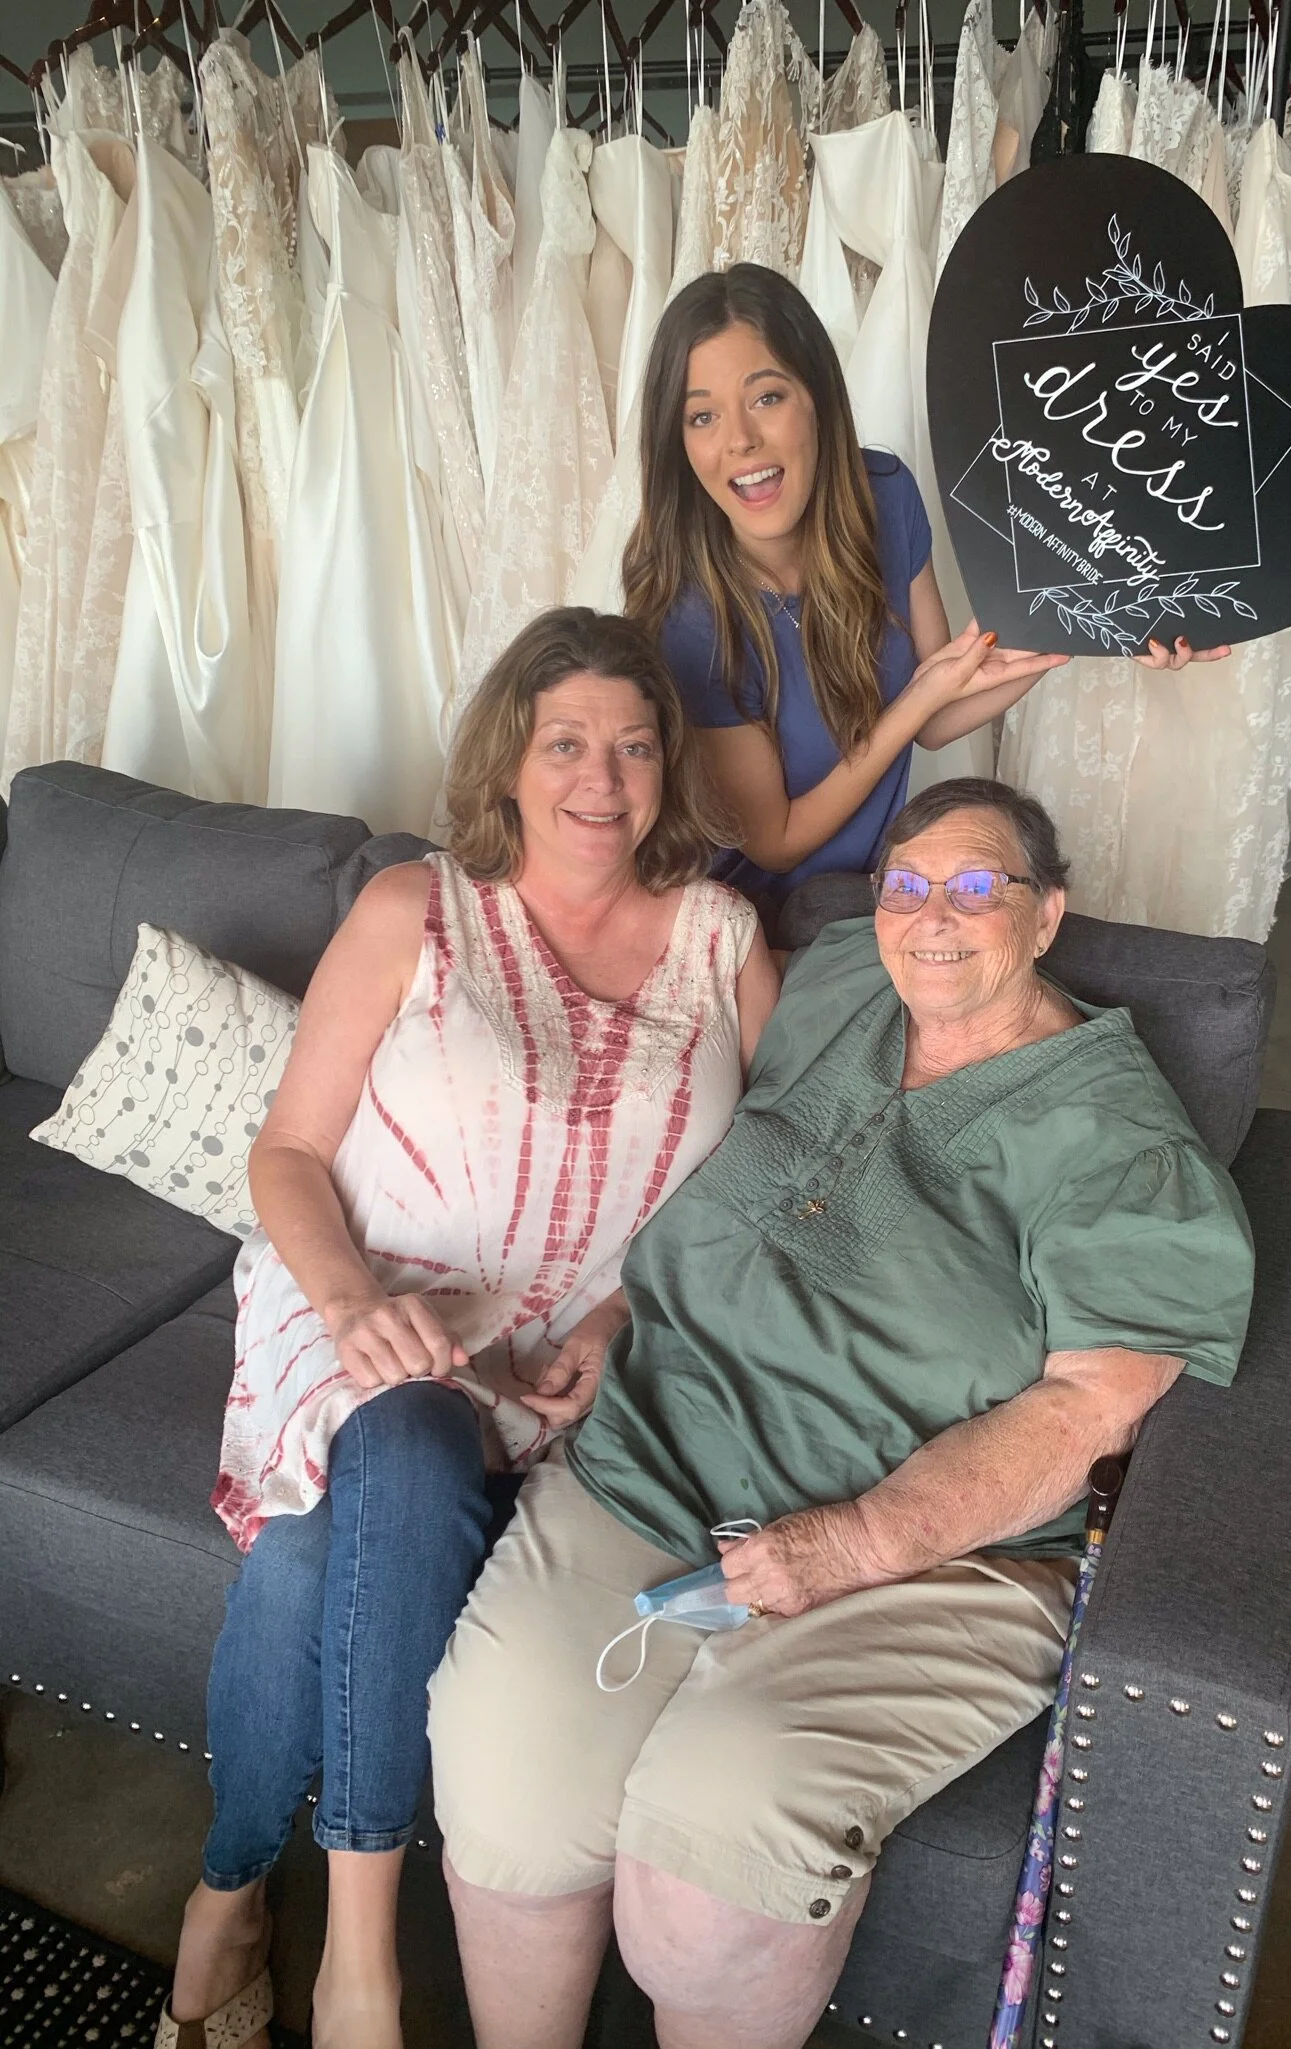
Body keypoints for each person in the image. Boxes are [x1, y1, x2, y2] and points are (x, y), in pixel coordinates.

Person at [426, 776, 1255, 2049]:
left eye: (978, 887)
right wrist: (614, 1315)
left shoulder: (1122, 1148)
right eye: (907, 884)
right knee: (508, 1784)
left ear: (1047, 918)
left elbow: (1093, 1411)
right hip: (654, 1453)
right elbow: (726, 1170)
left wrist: (855, 1544)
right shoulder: (837, 985)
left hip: (925, 1555)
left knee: (706, 1880)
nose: (932, 916)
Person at [157, 609, 778, 2049]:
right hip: (369, 1304)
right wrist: (358, 1306)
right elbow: (290, 1157)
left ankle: (230, 1888)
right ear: (511, 760)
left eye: (633, 745)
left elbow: (771, 1183)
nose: (602, 777)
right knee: (413, 1434)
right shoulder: (413, 910)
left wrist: (628, 1315)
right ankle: (360, 1964)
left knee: (320, 1550)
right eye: (567, 741)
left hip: (589, 1360)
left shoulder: (722, 941)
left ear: (667, 766)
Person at [623, 264, 1228, 919]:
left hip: (879, 893)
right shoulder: (691, 621)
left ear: (818, 398)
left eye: (766, 397)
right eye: (701, 416)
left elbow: (940, 712)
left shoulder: (885, 495)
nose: (738, 440)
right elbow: (777, 842)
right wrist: (914, 703)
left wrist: (1100, 621)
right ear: (677, 440)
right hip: (756, 923)